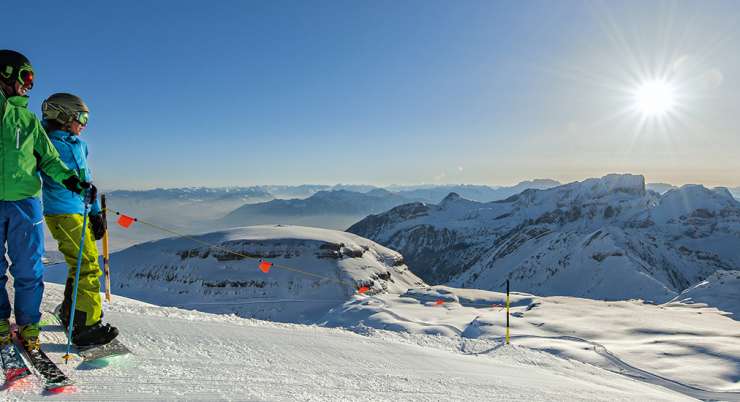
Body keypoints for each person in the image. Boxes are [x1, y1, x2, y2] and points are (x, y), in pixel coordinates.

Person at [0, 50, 90, 351]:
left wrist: (74, 182)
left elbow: (50, 160)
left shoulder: (27, 121)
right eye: (25, 77)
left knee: (29, 267)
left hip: (25, 202)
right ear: (6, 74)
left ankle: (28, 323)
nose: (29, 84)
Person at [41, 93, 118, 347]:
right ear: (62, 116)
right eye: (81, 117)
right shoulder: (48, 143)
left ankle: (71, 312)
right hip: (63, 211)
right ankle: (86, 326)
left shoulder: (79, 145)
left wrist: (95, 212)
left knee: (80, 265)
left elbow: (88, 183)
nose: (85, 123)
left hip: (80, 211)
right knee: (88, 267)